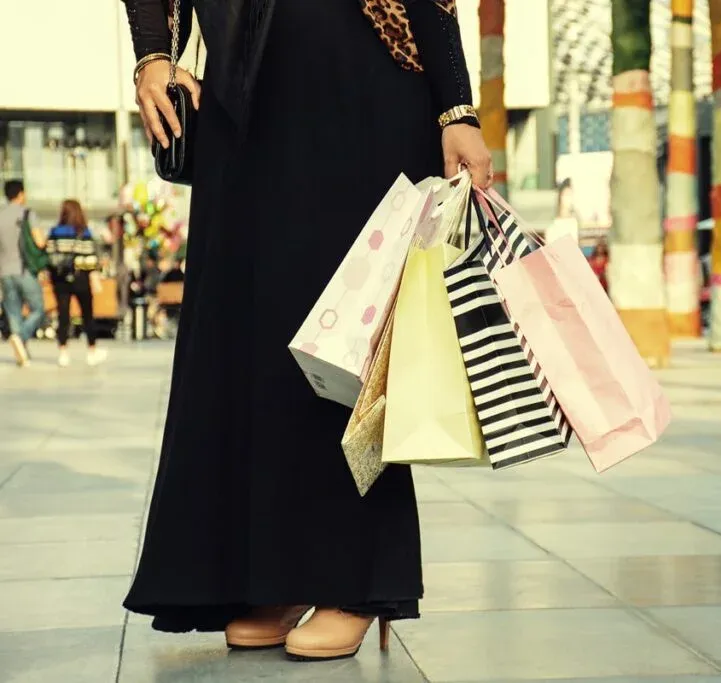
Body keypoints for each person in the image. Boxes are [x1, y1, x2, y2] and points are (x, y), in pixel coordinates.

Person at [122, 0, 493, 662]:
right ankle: (272, 573)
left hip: (362, 80)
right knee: (247, 333)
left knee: (344, 340)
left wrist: (456, 108)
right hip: (243, 89)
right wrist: (152, 54)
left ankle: (355, 577)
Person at [46, 200, 107, 368]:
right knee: (87, 314)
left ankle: (63, 352)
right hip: (81, 278)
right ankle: (92, 351)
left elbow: (49, 256)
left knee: (63, 315)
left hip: (60, 279)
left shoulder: (55, 231)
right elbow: (90, 259)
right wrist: (94, 276)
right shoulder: (84, 232)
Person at [0, 180, 46, 367]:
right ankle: (21, 336)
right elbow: (39, 241)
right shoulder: (27, 214)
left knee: (13, 312)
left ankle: (22, 351)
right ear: (20, 194)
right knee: (38, 309)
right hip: (23, 269)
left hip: (4, 271)